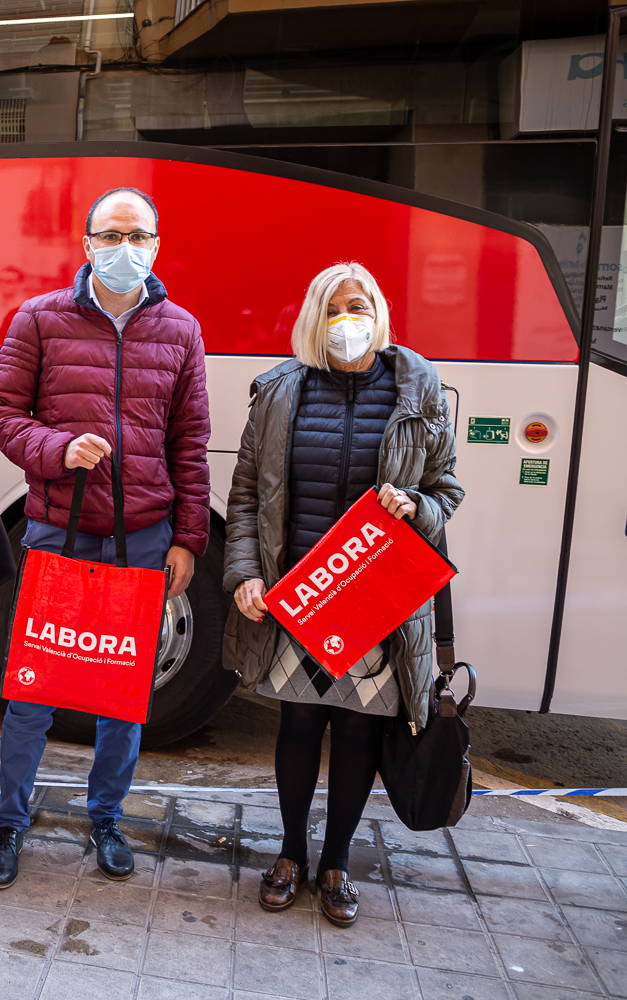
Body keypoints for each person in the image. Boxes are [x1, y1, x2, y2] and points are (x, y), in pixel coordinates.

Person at [0, 187, 211, 889]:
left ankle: (106, 817)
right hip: (58, 530)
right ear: (85, 246)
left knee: (122, 696)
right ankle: (9, 823)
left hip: (143, 539)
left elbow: (189, 444)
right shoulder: (40, 319)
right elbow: (1, 411)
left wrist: (188, 539)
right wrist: (55, 451)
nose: (123, 248)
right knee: (31, 691)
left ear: (156, 247)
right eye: (109, 236)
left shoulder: (181, 329)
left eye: (137, 235)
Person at [223, 261, 463, 928]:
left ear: (379, 312)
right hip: (301, 594)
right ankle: (291, 853)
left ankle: (336, 864)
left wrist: (415, 505)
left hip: (377, 596)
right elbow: (245, 499)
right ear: (313, 319)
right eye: (333, 309)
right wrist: (244, 573)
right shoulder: (278, 391)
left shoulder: (417, 391)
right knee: (298, 724)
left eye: (358, 306)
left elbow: (447, 490)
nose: (346, 320)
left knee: (359, 731)